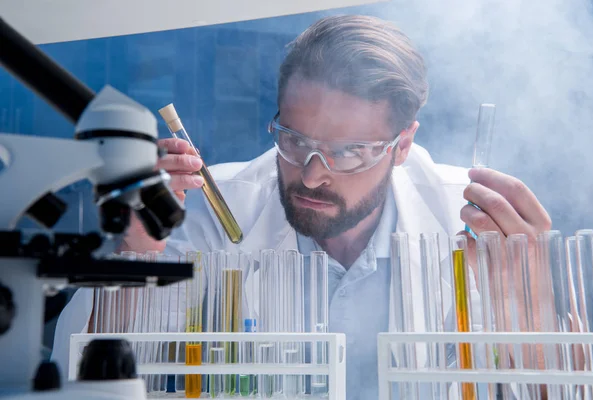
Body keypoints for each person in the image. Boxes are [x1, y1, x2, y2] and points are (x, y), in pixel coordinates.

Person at [52, 14, 552, 398]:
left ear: (402, 145)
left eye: (349, 151)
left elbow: (544, 389)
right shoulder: (208, 209)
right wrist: (137, 246)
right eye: (293, 139)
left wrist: (529, 306)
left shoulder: (470, 222)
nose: (312, 173)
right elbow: (92, 381)